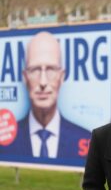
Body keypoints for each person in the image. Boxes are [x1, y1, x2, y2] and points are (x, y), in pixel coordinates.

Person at [1, 31, 90, 159]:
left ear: (61, 77)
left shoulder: (86, 141)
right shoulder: (6, 142)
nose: (43, 82)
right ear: (25, 78)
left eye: (51, 69)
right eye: (35, 70)